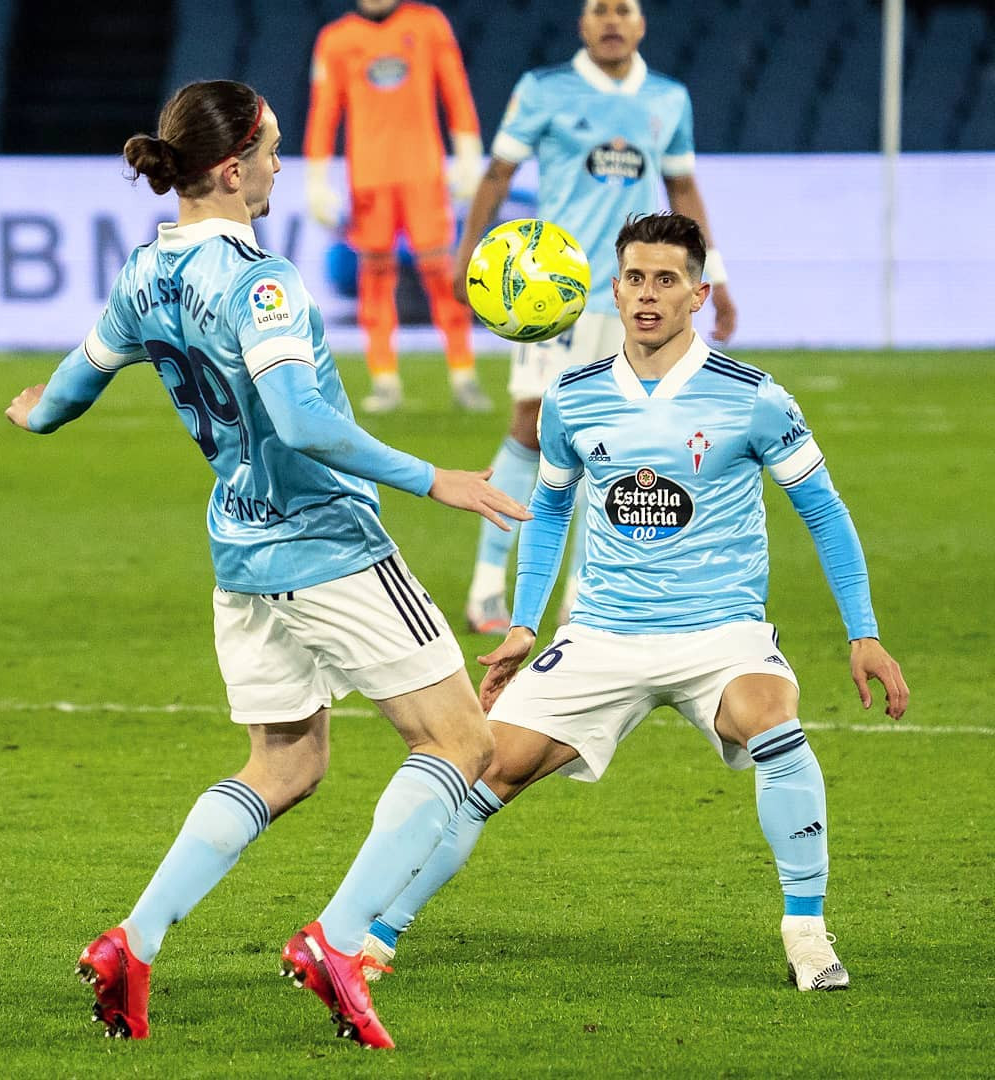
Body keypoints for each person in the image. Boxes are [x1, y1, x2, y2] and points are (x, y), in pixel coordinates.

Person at [4, 80, 530, 1049]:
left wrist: (33, 410)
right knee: (464, 745)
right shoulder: (263, 282)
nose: (283, 166)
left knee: (285, 762)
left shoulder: (145, 274)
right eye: (274, 150)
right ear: (233, 166)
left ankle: (135, 938)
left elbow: (68, 392)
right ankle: (335, 940)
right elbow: (300, 420)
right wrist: (433, 479)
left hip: (240, 550)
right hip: (328, 545)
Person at [363, 212, 909, 993]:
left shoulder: (753, 398)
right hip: (602, 636)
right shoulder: (573, 398)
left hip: (720, 633)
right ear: (612, 289)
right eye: (634, 279)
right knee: (484, 768)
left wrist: (864, 632)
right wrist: (524, 623)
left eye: (667, 280)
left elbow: (823, 509)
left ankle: (808, 935)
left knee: (773, 722)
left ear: (698, 293)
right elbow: (550, 510)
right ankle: (375, 936)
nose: (648, 295)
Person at [459, 0, 738, 634]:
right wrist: (469, 251)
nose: (612, 19)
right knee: (531, 426)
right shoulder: (544, 89)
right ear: (582, 23)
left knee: (613, 437)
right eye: (599, 9)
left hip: (633, 294)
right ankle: (485, 588)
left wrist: (714, 275)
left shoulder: (667, 98)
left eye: (624, 9)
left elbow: (684, 189)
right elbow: (498, 173)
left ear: (642, 22)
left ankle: (582, 594)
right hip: (552, 296)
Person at [304, 0, 491, 414]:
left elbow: (455, 90)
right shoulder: (336, 39)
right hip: (369, 179)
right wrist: (316, 178)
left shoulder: (428, 25)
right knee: (375, 279)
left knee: (442, 276)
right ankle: (384, 379)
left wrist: (467, 153)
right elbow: (324, 111)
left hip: (423, 173)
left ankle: (464, 374)